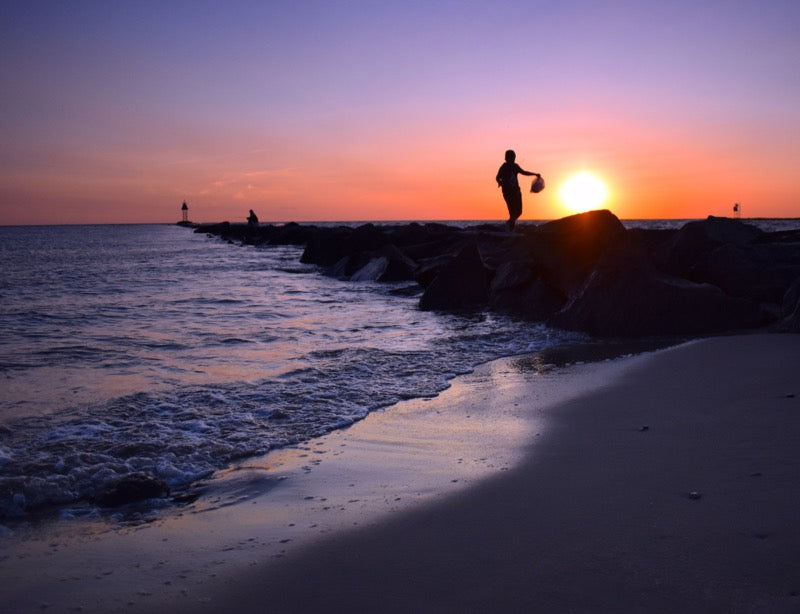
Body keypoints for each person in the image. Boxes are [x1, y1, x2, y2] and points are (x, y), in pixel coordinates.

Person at [496, 150, 540, 232]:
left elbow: (524, 172)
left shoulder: (515, 166)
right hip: (507, 192)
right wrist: (500, 182)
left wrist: (535, 174)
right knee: (512, 212)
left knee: (519, 212)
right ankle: (510, 229)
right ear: (506, 158)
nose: (513, 159)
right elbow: (497, 177)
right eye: (511, 158)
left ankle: (509, 223)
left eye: (514, 158)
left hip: (516, 191)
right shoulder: (504, 167)